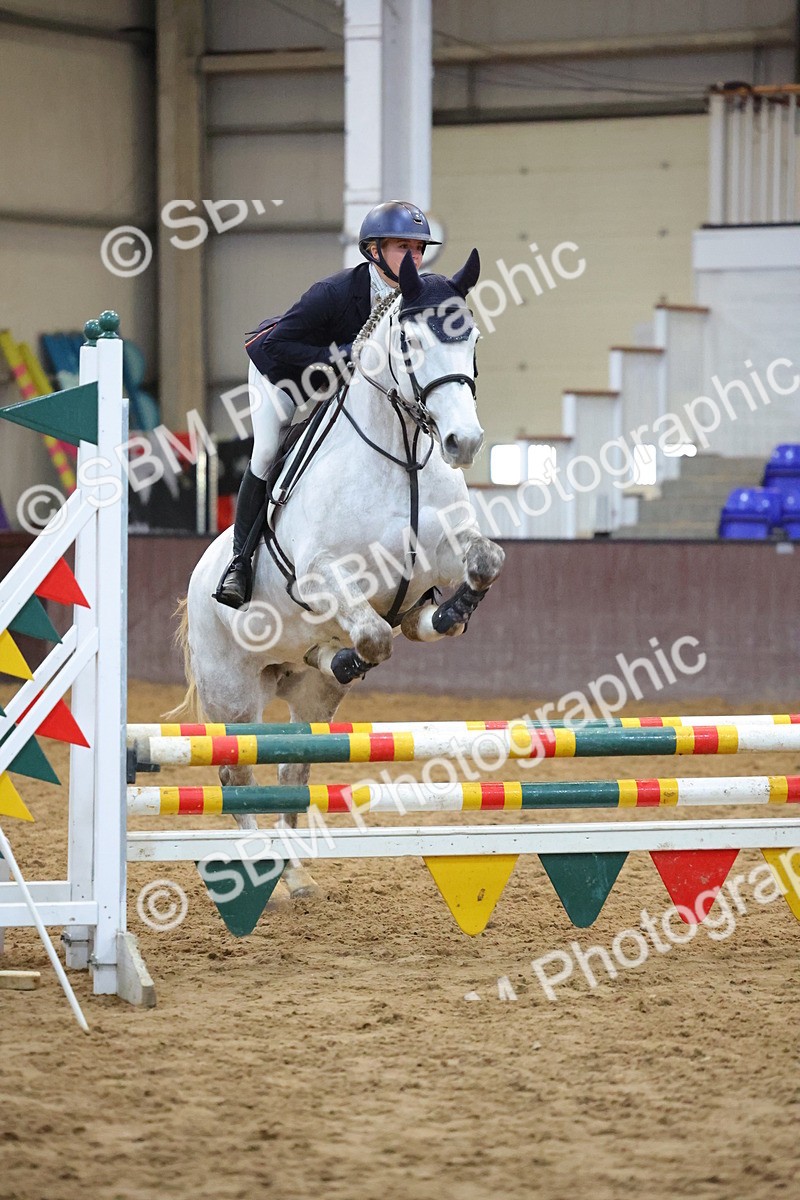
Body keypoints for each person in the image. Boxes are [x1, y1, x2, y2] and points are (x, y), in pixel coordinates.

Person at [213, 200, 441, 608]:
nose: (415, 258)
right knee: (266, 452)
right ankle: (240, 563)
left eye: (419, 249)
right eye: (403, 247)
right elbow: (281, 343)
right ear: (374, 251)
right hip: (281, 374)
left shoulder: (413, 298)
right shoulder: (333, 293)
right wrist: (344, 356)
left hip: (343, 382)